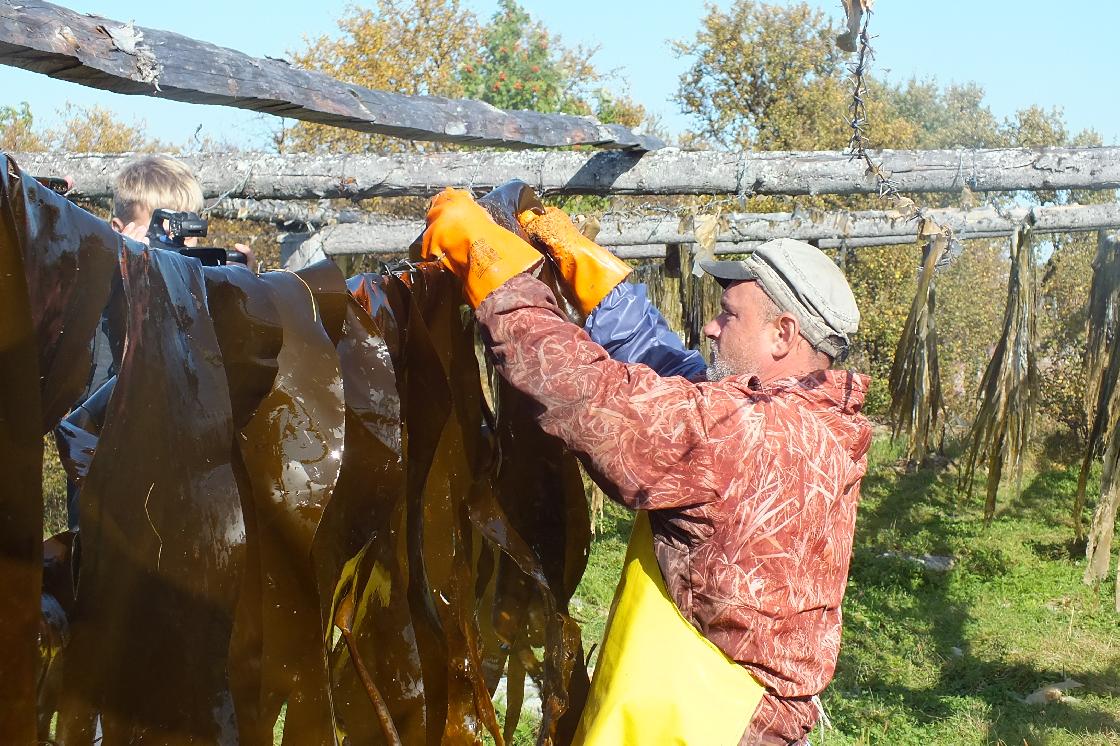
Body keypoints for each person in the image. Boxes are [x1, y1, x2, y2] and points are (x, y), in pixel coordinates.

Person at [421, 190, 872, 745]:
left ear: (782, 334)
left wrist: (496, 274)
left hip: (713, 726)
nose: (711, 327)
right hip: (738, 714)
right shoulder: (816, 419)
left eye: (729, 315)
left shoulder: (746, 433)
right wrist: (599, 286)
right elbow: (677, 381)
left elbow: (589, 396)